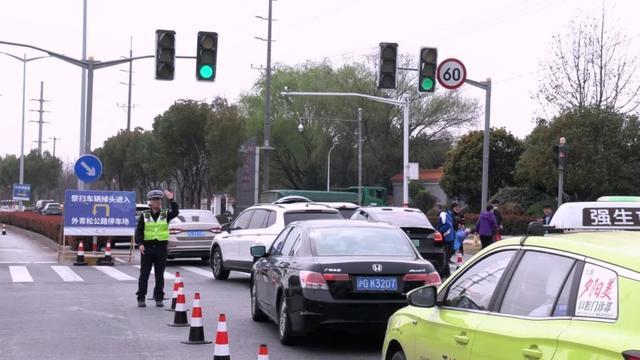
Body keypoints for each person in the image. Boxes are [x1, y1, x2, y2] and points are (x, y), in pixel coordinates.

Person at [136, 189, 179, 308]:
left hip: (161, 249)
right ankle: (141, 297)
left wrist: (171, 199)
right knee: (144, 274)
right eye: (154, 200)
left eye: (159, 200)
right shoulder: (145, 215)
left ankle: (159, 297)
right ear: (150, 202)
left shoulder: (165, 214)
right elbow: (139, 231)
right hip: (147, 249)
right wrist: (140, 244)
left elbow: (176, 212)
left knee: (159, 275)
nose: (157, 202)